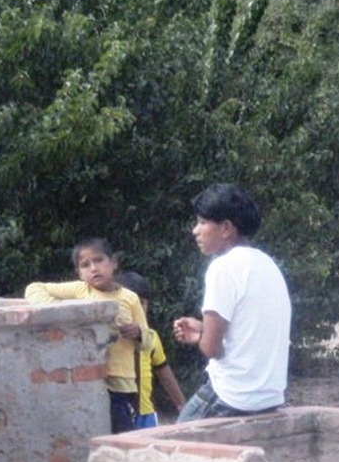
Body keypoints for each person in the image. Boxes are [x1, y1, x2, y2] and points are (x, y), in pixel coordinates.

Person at [173, 183, 291, 421]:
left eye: (202, 222)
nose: (195, 231)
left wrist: (200, 337)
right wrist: (205, 329)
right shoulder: (267, 264)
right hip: (269, 396)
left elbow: (211, 349)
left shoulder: (222, 267)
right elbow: (251, 332)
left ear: (226, 228)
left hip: (231, 395)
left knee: (168, 447)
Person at [25, 237, 152, 434]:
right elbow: (34, 288)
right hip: (87, 379)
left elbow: (148, 342)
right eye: (85, 265)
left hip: (121, 382)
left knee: (123, 434)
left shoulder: (130, 298)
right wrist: (62, 311)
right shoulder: (80, 290)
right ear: (78, 273)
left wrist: (137, 333)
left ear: (114, 262)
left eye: (99, 260)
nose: (94, 268)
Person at [116, 271, 186, 428]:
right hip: (117, 412)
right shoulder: (109, 338)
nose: (138, 309)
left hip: (146, 415)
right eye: (131, 304)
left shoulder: (151, 337)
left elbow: (163, 370)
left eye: (142, 303)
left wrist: (182, 405)